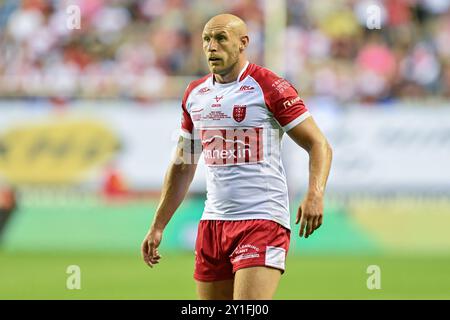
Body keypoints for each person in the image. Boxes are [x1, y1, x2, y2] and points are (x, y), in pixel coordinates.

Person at [141, 13, 332, 300]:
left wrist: (315, 193)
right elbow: (183, 164)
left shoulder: (269, 86)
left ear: (243, 43)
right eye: (206, 39)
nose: (211, 47)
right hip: (213, 223)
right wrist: (158, 225)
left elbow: (318, 144)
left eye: (220, 38)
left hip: (262, 219)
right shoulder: (195, 94)